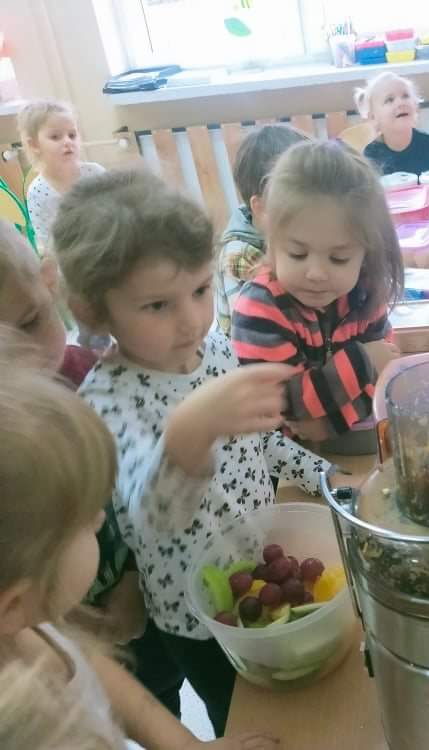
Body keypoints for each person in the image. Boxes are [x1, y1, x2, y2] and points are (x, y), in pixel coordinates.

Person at [53, 167, 332, 738]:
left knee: (305, 703)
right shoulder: (106, 400)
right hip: (198, 618)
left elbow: (261, 439)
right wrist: (189, 434)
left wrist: (326, 478)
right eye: (157, 305)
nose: (191, 321)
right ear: (96, 311)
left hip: (262, 561)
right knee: (249, 722)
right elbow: (152, 516)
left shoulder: (218, 348)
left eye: (201, 291)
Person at [0, 340, 275, 750]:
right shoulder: (34, 730)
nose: (101, 519)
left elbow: (94, 669)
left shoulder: (31, 628)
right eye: (86, 521)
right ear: (13, 603)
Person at [0, 219, 185, 716]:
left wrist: (132, 579)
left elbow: (136, 490)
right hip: (63, 625)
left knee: (162, 687)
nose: (24, 357)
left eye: (29, 322)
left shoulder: (98, 377)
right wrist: (62, 617)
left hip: (144, 591)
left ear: (49, 282)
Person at [231, 140, 403, 442]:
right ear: (272, 239)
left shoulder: (364, 291)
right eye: (297, 254)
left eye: (339, 258)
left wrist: (330, 422)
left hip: (348, 441)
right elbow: (287, 406)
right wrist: (364, 362)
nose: (316, 274)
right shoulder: (260, 308)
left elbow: (387, 370)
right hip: (283, 459)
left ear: (366, 254)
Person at [216, 123, 310, 335]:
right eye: (299, 201)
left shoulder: (275, 229)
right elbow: (256, 329)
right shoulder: (239, 255)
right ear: (261, 207)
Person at [18, 99, 105, 249]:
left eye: (72, 135)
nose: (67, 142)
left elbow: (118, 212)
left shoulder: (95, 173)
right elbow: (48, 241)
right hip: (72, 256)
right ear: (34, 145)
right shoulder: (38, 192)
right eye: (55, 137)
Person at [355, 72, 429, 176]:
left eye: (405, 96)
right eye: (389, 100)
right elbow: (369, 187)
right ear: (373, 117)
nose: (400, 103)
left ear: (415, 105)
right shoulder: (371, 154)